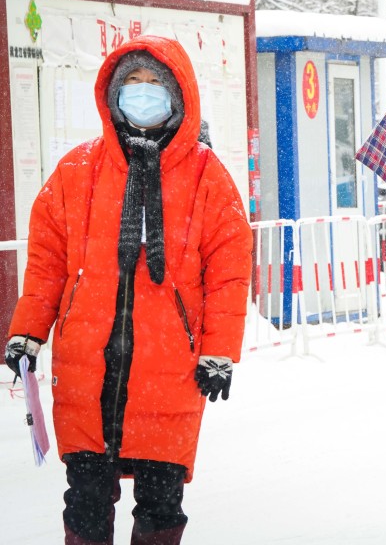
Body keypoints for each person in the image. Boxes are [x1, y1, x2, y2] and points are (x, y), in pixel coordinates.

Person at [3, 36, 252, 545]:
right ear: (112, 94)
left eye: (155, 84)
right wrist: (28, 331)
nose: (143, 94)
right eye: (132, 84)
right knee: (86, 503)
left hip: (170, 372)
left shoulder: (208, 177)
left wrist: (219, 353)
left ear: (178, 95)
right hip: (86, 371)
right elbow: (48, 261)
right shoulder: (77, 171)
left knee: (161, 506)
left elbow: (228, 270)